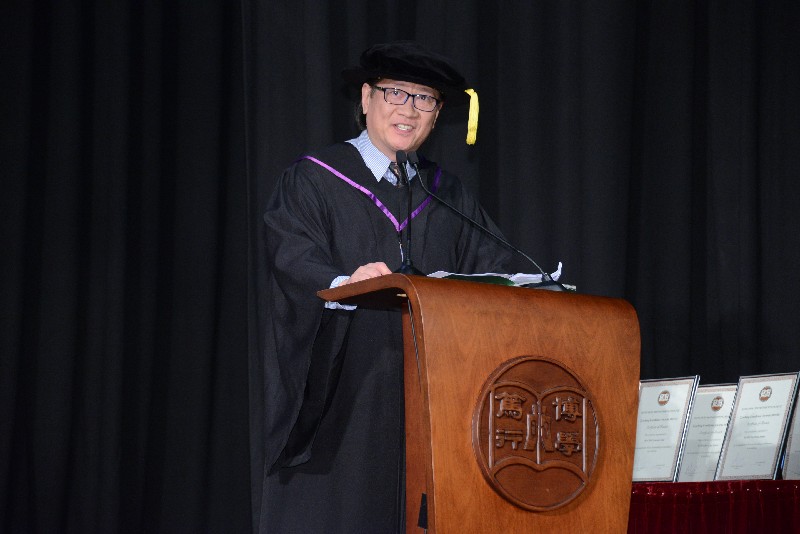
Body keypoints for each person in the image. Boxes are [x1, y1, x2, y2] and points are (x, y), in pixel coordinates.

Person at [254, 41, 516, 533]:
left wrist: (531, 290)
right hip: (347, 385)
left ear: (437, 115)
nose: (409, 109)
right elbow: (292, 256)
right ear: (366, 98)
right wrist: (343, 283)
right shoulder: (315, 179)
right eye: (396, 93)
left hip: (434, 391)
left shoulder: (448, 193)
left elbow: (494, 268)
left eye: (425, 99)